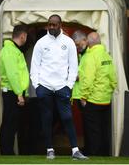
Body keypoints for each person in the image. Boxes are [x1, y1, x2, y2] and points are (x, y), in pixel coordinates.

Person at [30, 14, 88, 160]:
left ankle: (75, 150)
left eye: (54, 24)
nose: (51, 27)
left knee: (67, 117)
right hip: (45, 87)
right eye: (49, 24)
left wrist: (68, 86)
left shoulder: (68, 42)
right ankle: (50, 149)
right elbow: (34, 67)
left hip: (63, 87)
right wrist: (37, 86)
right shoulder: (41, 43)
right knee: (47, 118)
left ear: (60, 25)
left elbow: (74, 67)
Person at [72, 31, 117, 156]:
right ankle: (105, 153)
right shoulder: (107, 56)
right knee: (104, 128)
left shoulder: (91, 56)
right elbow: (113, 77)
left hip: (93, 99)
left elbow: (88, 79)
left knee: (93, 130)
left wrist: (84, 96)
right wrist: (111, 89)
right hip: (106, 99)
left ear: (88, 42)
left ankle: (94, 153)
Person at [0, 24, 30, 155]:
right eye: (26, 36)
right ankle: (6, 152)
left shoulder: (13, 50)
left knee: (12, 123)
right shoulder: (10, 51)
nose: (26, 39)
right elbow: (13, 74)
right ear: (22, 36)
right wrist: (19, 94)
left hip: (14, 92)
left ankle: (8, 151)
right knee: (9, 124)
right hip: (12, 92)